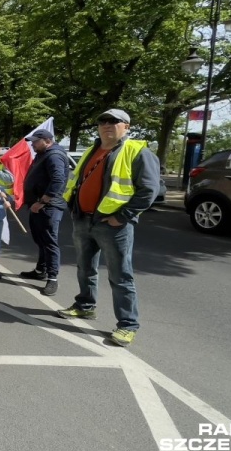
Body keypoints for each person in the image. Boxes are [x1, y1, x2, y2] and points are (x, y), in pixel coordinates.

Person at [58, 109, 160, 347]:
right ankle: (85, 305)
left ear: (126, 126)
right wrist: (74, 207)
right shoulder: (92, 150)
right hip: (84, 219)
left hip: (113, 225)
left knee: (120, 275)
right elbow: (77, 181)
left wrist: (122, 216)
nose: (107, 124)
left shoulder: (137, 151)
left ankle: (128, 325)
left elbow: (149, 190)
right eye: (102, 121)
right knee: (85, 268)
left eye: (114, 121)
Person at [19, 128, 68, 296]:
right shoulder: (43, 154)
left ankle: (52, 278)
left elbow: (58, 180)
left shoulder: (54, 155)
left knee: (49, 242)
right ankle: (41, 270)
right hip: (38, 206)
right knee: (41, 240)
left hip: (48, 207)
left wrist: (42, 202)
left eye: (35, 141)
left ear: (47, 141)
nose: (32, 144)